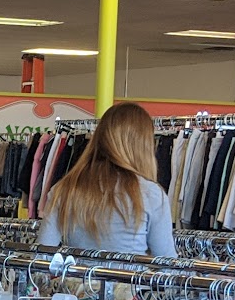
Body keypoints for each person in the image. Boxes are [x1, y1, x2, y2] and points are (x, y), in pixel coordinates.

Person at [38, 100, 176, 257]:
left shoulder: (65, 189)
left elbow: (42, 253)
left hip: (77, 273)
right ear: (144, 145)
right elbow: (166, 263)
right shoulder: (152, 195)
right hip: (128, 274)